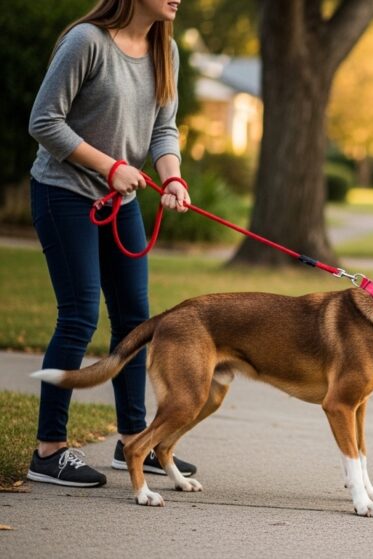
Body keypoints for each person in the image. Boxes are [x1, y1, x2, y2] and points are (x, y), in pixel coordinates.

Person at [26, 0, 195, 487]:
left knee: (134, 322)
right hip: (63, 193)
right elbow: (44, 121)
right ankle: (49, 450)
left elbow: (163, 130)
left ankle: (132, 442)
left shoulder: (167, 50)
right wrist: (111, 166)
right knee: (79, 314)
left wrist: (173, 179)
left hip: (119, 200)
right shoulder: (87, 42)